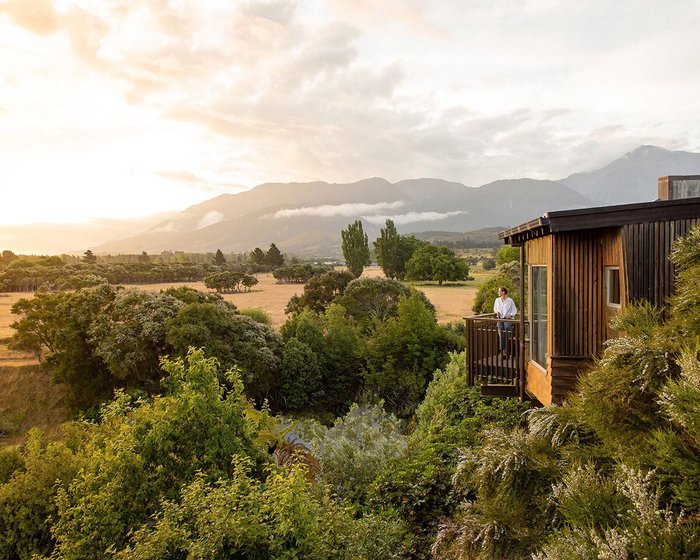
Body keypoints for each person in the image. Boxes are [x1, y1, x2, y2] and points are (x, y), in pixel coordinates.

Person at [493, 286, 517, 358]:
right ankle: (502, 352)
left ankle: (507, 352)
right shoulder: (497, 300)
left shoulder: (510, 300)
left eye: (499, 291)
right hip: (500, 319)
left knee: (507, 336)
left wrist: (510, 315)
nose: (498, 292)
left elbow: (514, 310)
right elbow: (495, 308)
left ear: (503, 292)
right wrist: (496, 311)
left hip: (508, 320)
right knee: (501, 336)